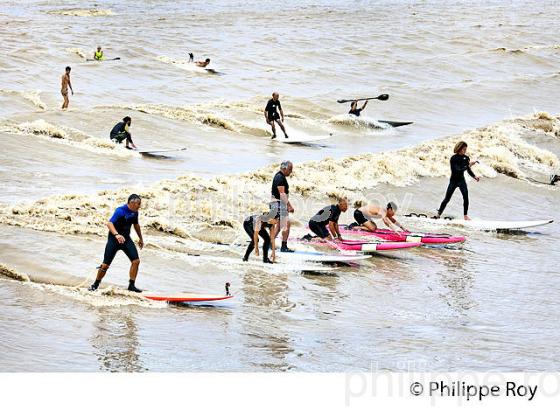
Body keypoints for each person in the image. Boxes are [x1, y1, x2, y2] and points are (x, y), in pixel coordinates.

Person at [89, 194, 144, 293]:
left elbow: (136, 225)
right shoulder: (120, 211)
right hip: (114, 240)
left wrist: (141, 238)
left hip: (126, 240)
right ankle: (95, 284)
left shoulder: (135, 212)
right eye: (138, 204)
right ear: (131, 203)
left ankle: (131, 285)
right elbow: (109, 223)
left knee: (136, 261)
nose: (139, 206)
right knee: (105, 265)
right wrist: (117, 235)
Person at [437, 141, 480, 220]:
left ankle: (465, 216)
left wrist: (474, 176)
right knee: (447, 198)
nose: (465, 151)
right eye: (464, 149)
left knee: (466, 197)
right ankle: (438, 214)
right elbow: (457, 170)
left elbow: (468, 170)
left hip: (461, 181)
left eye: (465, 149)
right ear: (459, 149)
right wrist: (468, 165)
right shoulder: (453, 158)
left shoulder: (466, 158)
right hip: (453, 181)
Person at [270, 161, 294, 252]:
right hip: (278, 203)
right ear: (284, 168)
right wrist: (289, 206)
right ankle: (284, 247)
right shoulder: (280, 177)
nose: (291, 171)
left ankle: (269, 243)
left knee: (280, 225)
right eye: (290, 169)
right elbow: (282, 194)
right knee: (286, 224)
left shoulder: (279, 176)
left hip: (276, 203)